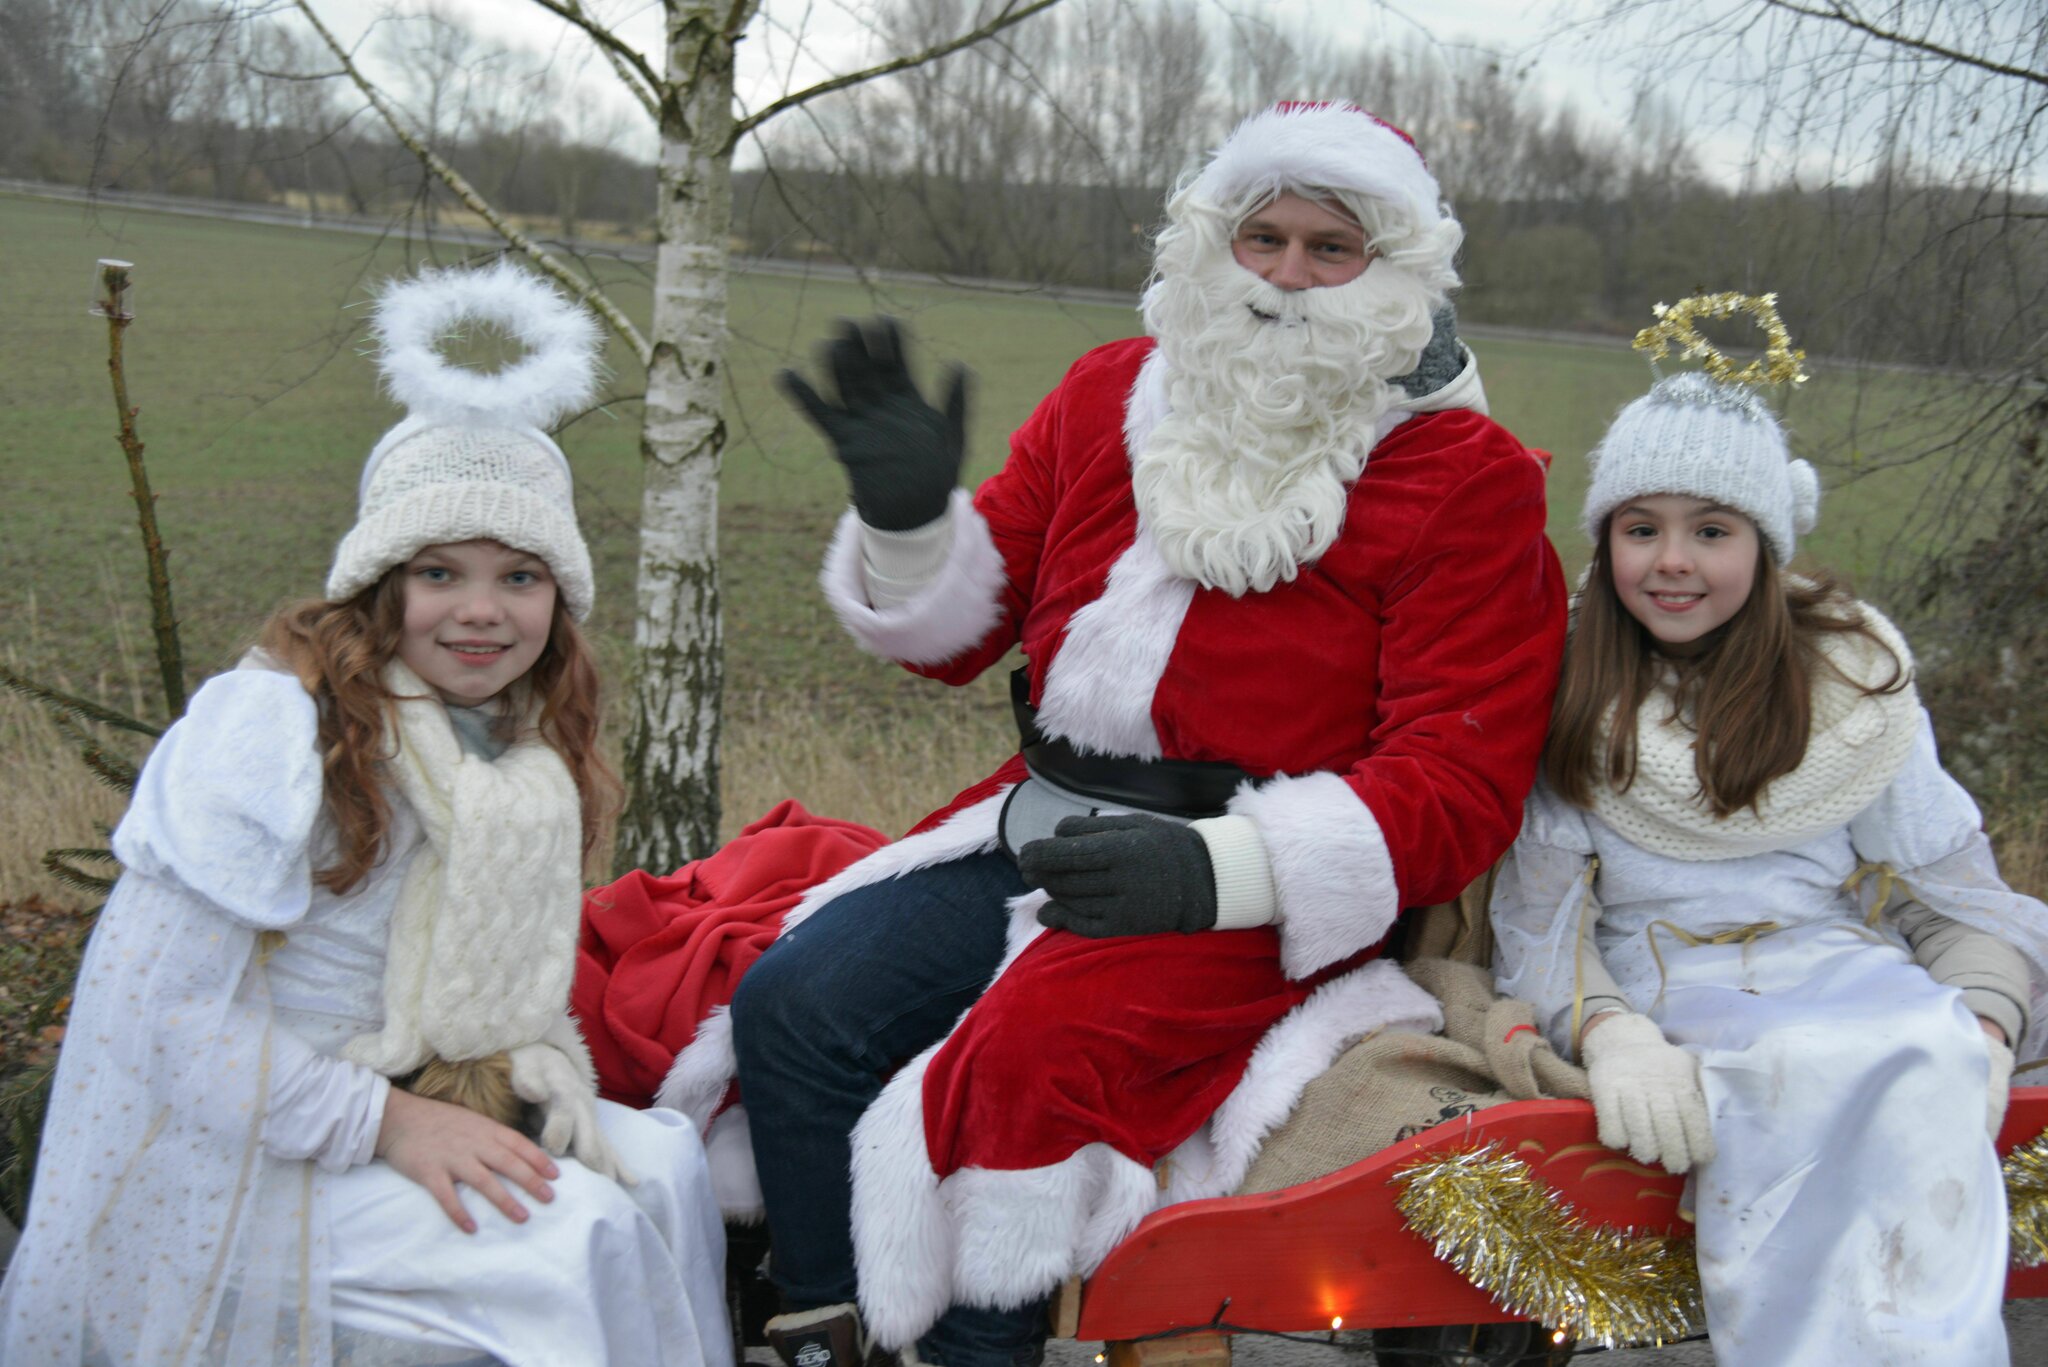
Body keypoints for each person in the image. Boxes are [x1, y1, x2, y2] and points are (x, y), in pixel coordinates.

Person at [726, 102, 1567, 1367]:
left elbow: (1455, 782)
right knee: (795, 999)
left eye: (1327, 249)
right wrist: (904, 525)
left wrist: (1222, 871)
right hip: (1036, 820)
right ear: (1208, 247)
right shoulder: (1107, 394)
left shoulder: (1466, 476)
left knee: (1023, 1064)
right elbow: (960, 628)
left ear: (1389, 273)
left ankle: (975, 1349)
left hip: (1245, 886)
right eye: (1259, 237)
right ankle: (825, 1327)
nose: (1283, 275)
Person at [0, 261, 731, 1367]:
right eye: (439, 570)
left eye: (520, 575)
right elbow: (165, 1014)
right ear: (379, 586)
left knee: (668, 1165)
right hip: (252, 1139)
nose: (481, 610)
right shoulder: (275, 733)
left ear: (559, 596)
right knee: (566, 1239)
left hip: (398, 1085)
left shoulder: (516, 741)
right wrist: (394, 1123)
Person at [1488, 294, 2048, 1366]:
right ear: (1604, 538)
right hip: (1662, 974)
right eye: (1640, 527)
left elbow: (1956, 894)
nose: (1672, 561)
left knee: (1909, 1056)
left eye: (1711, 530)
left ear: (1763, 539)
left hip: (1832, 956)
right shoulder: (1569, 680)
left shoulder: (1848, 690)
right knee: (1781, 1073)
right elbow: (1539, 915)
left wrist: (1979, 1023)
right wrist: (1607, 1031)